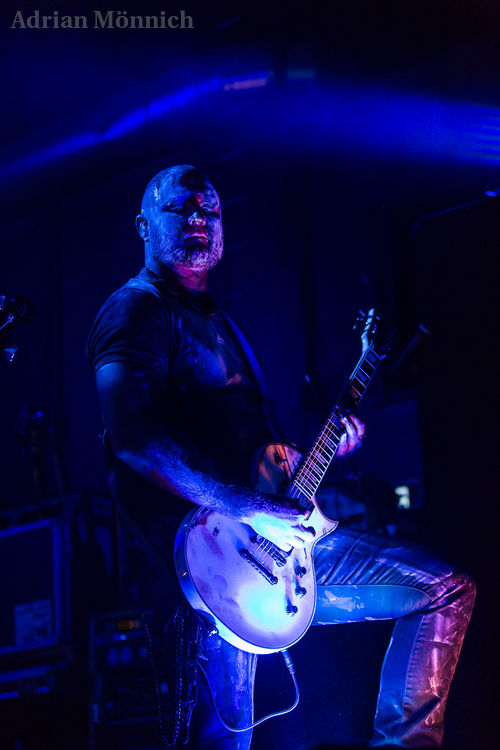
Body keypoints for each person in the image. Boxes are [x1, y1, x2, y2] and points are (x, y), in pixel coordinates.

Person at [87, 164, 475, 749]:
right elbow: (134, 438)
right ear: (143, 226)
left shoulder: (220, 322)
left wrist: (311, 455)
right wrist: (248, 506)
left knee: (445, 588)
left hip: (278, 549)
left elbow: (248, 455)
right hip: (207, 569)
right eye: (181, 208)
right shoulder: (136, 310)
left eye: (211, 210)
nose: (199, 219)